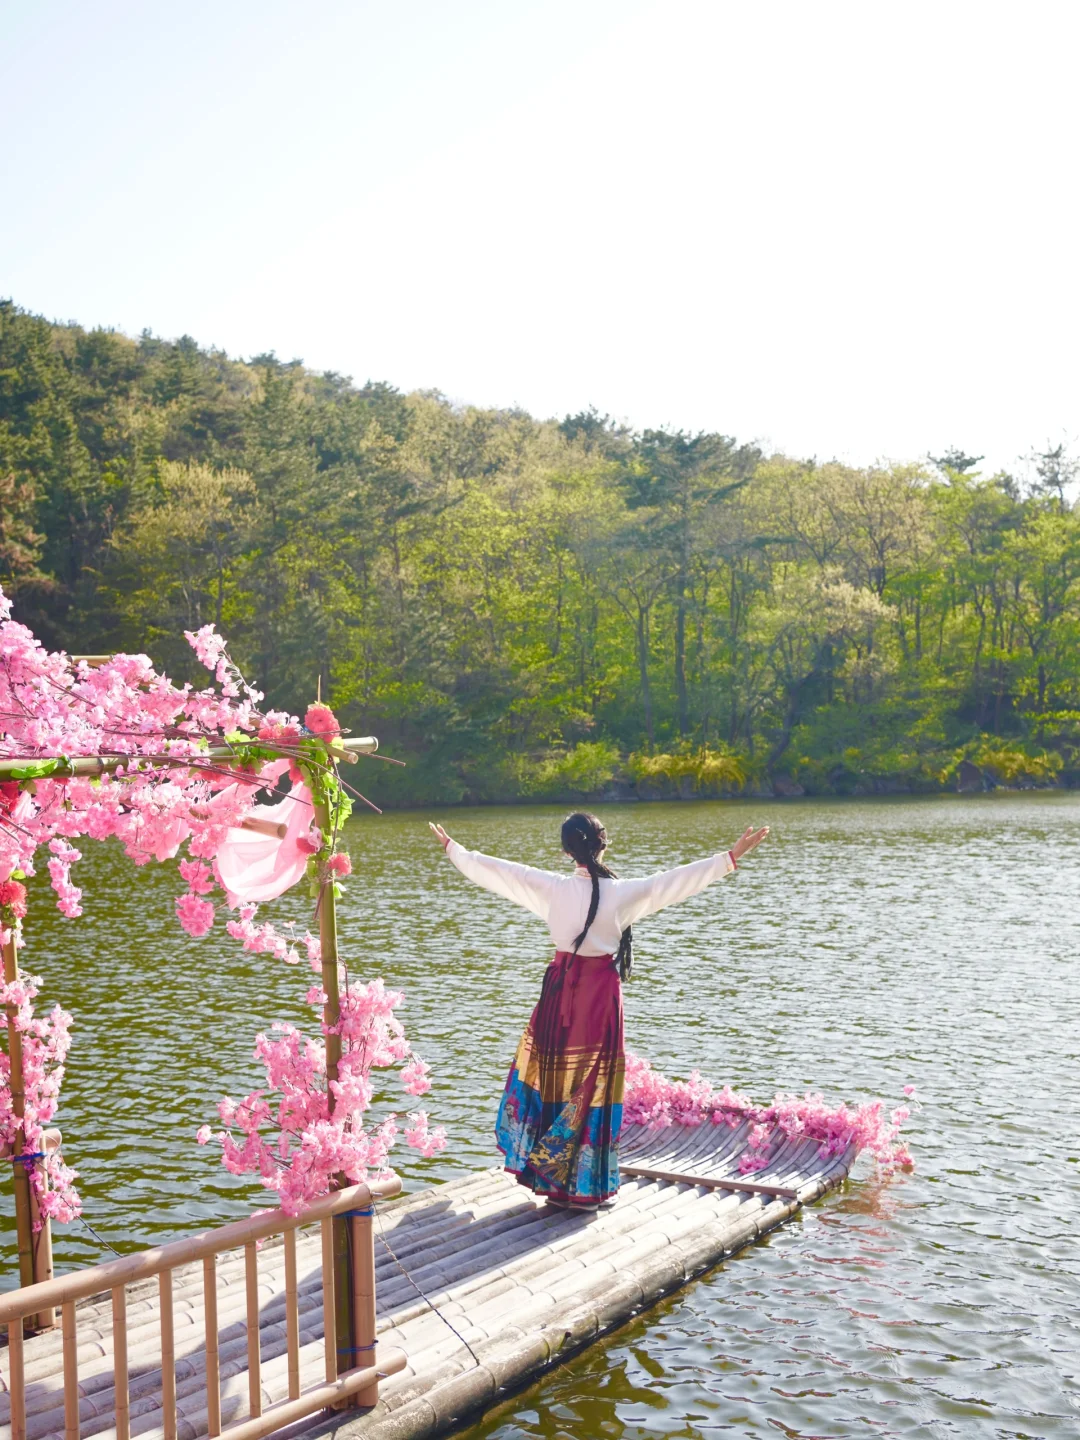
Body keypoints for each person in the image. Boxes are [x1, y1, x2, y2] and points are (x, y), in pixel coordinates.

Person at [429, 811, 769, 1210]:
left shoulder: (552, 888)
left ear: (565, 851)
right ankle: (585, 1189)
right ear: (603, 844)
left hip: (559, 993)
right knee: (594, 1086)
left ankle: (553, 1185)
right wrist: (728, 857)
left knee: (556, 1081)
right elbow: (672, 883)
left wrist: (456, 850)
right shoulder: (622, 893)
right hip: (599, 998)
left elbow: (499, 871)